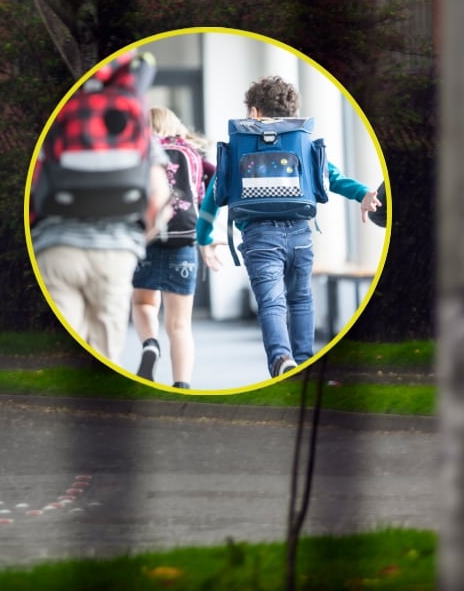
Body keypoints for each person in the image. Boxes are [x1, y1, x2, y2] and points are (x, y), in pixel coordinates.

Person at [196, 76, 382, 378]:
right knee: (301, 298)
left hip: (259, 238)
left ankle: (281, 359)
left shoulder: (237, 147)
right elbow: (331, 176)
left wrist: (203, 238)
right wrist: (362, 194)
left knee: (271, 301)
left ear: (254, 112)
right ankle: (305, 360)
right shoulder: (303, 143)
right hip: (300, 235)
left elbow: (211, 201)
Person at [30, 53, 173, 363]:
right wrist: (141, 238)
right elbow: (159, 196)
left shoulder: (61, 115)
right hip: (116, 254)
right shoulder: (136, 124)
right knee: (103, 356)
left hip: (57, 249)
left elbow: (34, 186)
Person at [131, 107, 216, 389]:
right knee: (180, 325)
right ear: (174, 126)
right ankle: (181, 385)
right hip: (184, 241)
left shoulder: (141, 153)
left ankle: (150, 345)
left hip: (148, 240)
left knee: (144, 303)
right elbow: (205, 195)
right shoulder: (193, 154)